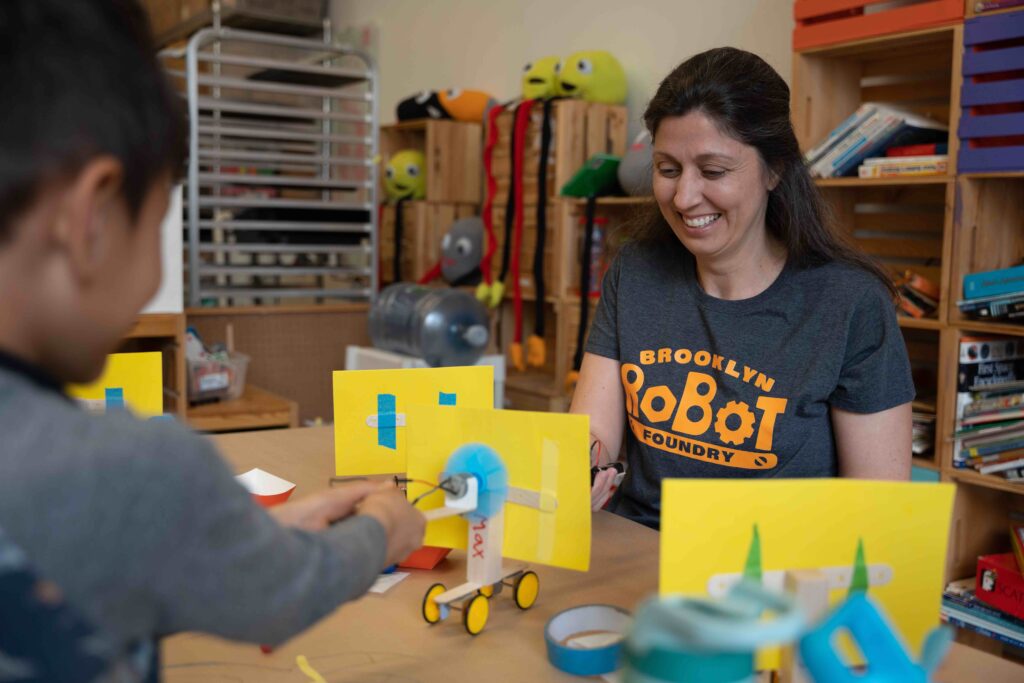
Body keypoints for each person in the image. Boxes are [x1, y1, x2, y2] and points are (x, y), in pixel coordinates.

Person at [0, 1, 425, 679]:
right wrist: (383, 531)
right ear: (93, 219)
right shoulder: (131, 470)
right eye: (163, 224)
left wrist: (264, 533)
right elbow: (278, 594)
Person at [573, 48, 914, 529]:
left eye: (713, 171)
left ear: (774, 170)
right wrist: (584, 466)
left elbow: (876, 508)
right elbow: (594, 431)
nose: (685, 197)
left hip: (770, 579)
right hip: (639, 558)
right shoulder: (635, 270)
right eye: (668, 169)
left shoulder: (850, 303)